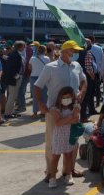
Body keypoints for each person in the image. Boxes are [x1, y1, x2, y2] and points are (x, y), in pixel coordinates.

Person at [34, 40, 87, 182]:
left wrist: (82, 92)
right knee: (52, 142)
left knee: (73, 140)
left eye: (76, 51)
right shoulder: (50, 67)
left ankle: (69, 169)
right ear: (64, 51)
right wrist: (40, 103)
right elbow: (38, 87)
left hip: (74, 109)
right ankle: (50, 172)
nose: (75, 53)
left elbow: (84, 81)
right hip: (54, 110)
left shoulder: (77, 66)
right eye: (73, 50)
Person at [48, 86, 80, 188]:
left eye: (69, 97)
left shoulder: (75, 107)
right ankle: (52, 177)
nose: (66, 99)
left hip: (69, 135)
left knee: (68, 156)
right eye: (64, 97)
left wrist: (65, 120)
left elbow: (76, 120)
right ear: (60, 98)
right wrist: (70, 117)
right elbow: (57, 123)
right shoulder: (54, 109)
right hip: (58, 137)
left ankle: (68, 174)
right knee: (55, 157)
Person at [2, 41, 26, 119]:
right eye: (23, 46)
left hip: (16, 77)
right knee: (12, 96)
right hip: (14, 78)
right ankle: (7, 113)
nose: (24, 48)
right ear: (19, 47)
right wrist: (17, 76)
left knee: (13, 96)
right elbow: (10, 68)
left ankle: (10, 112)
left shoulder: (16, 54)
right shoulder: (14, 54)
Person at [28, 45, 50, 118]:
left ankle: (35, 112)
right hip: (44, 78)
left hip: (34, 77)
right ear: (45, 51)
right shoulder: (47, 58)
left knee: (35, 96)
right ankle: (43, 112)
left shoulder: (32, 58)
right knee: (44, 95)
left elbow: (30, 67)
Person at [80, 38, 99, 122]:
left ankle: (85, 113)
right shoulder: (87, 53)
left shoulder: (79, 53)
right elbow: (88, 68)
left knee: (84, 96)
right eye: (89, 44)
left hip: (80, 77)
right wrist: (93, 77)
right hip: (87, 77)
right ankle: (83, 116)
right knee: (86, 96)